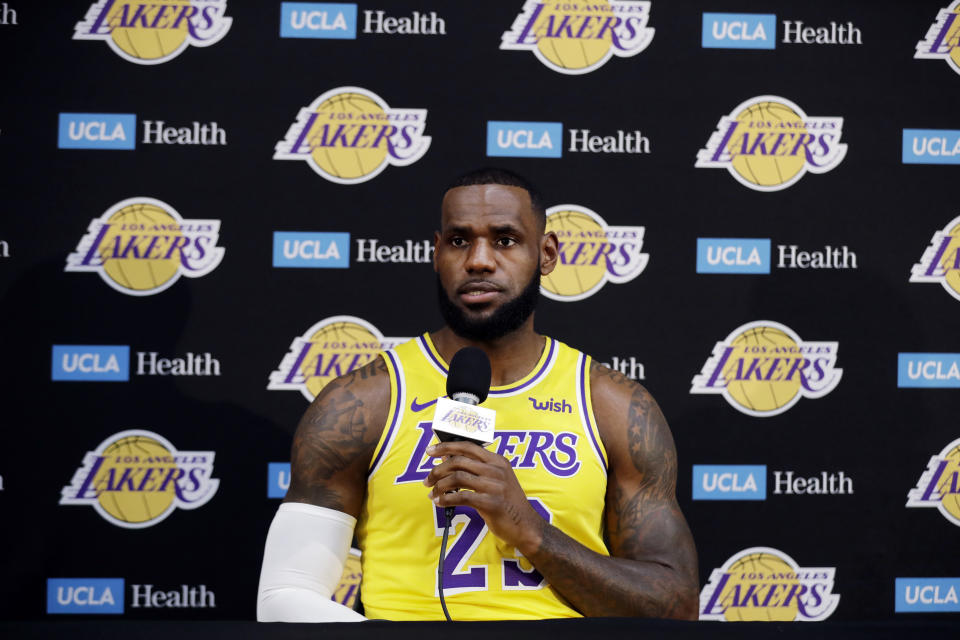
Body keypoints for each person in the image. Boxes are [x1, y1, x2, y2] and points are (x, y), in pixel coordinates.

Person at [257, 168, 699, 622]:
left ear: (546, 254)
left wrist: (531, 532)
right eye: (459, 241)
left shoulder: (612, 405)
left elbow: (675, 609)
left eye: (505, 240)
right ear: (436, 253)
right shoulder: (364, 402)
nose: (479, 261)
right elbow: (284, 596)